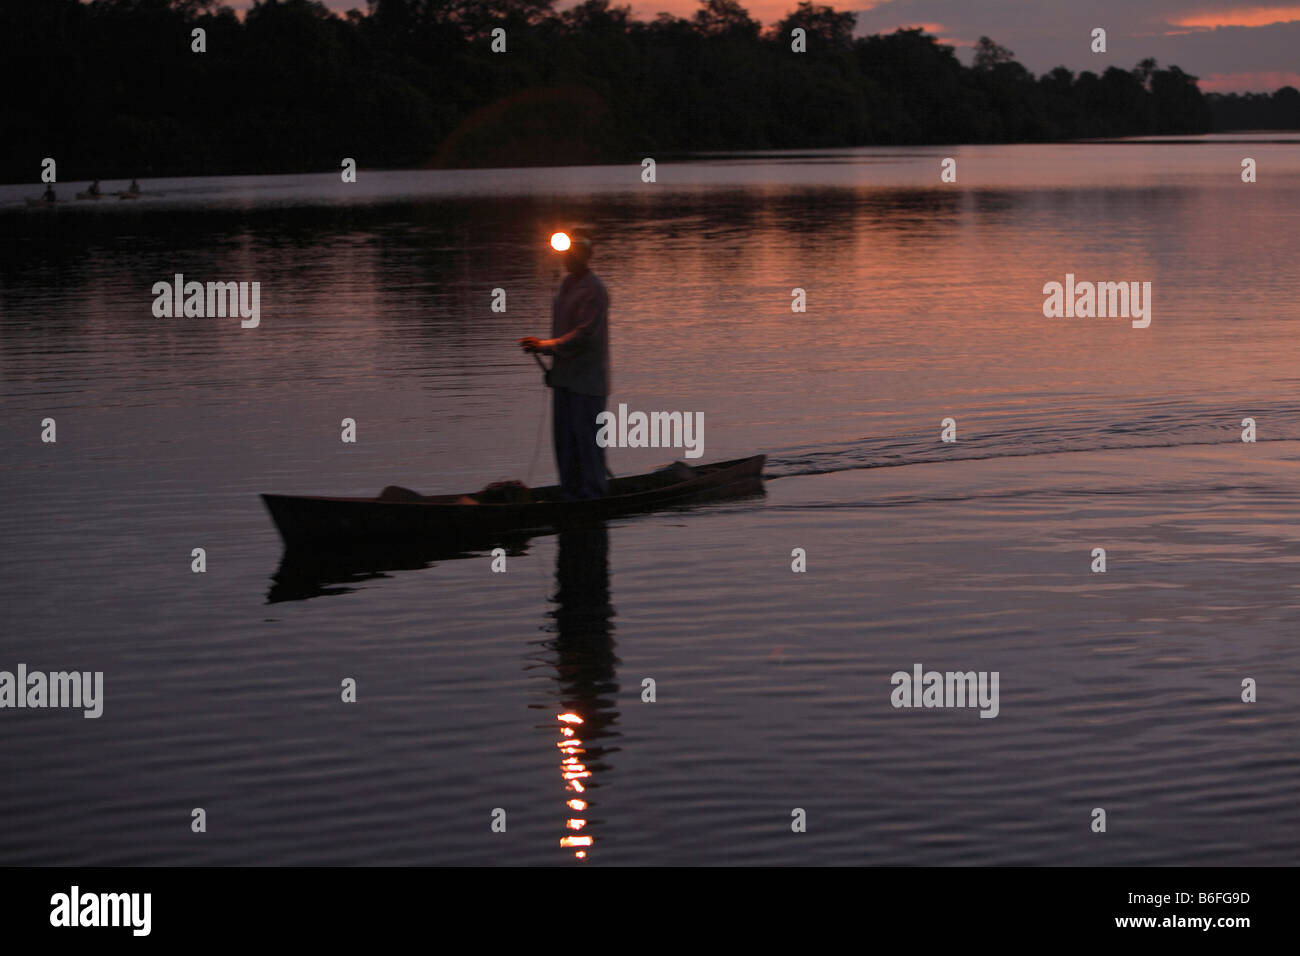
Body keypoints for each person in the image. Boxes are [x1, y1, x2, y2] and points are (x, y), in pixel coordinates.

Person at [519, 227, 611, 500]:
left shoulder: (595, 290)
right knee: (565, 445)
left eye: (573, 253)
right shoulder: (566, 285)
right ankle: (571, 495)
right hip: (564, 381)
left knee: (588, 446)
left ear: (585, 255)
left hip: (587, 384)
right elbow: (565, 336)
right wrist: (551, 359)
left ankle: (594, 496)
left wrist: (545, 346)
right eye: (567, 254)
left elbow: (583, 336)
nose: (568, 259)